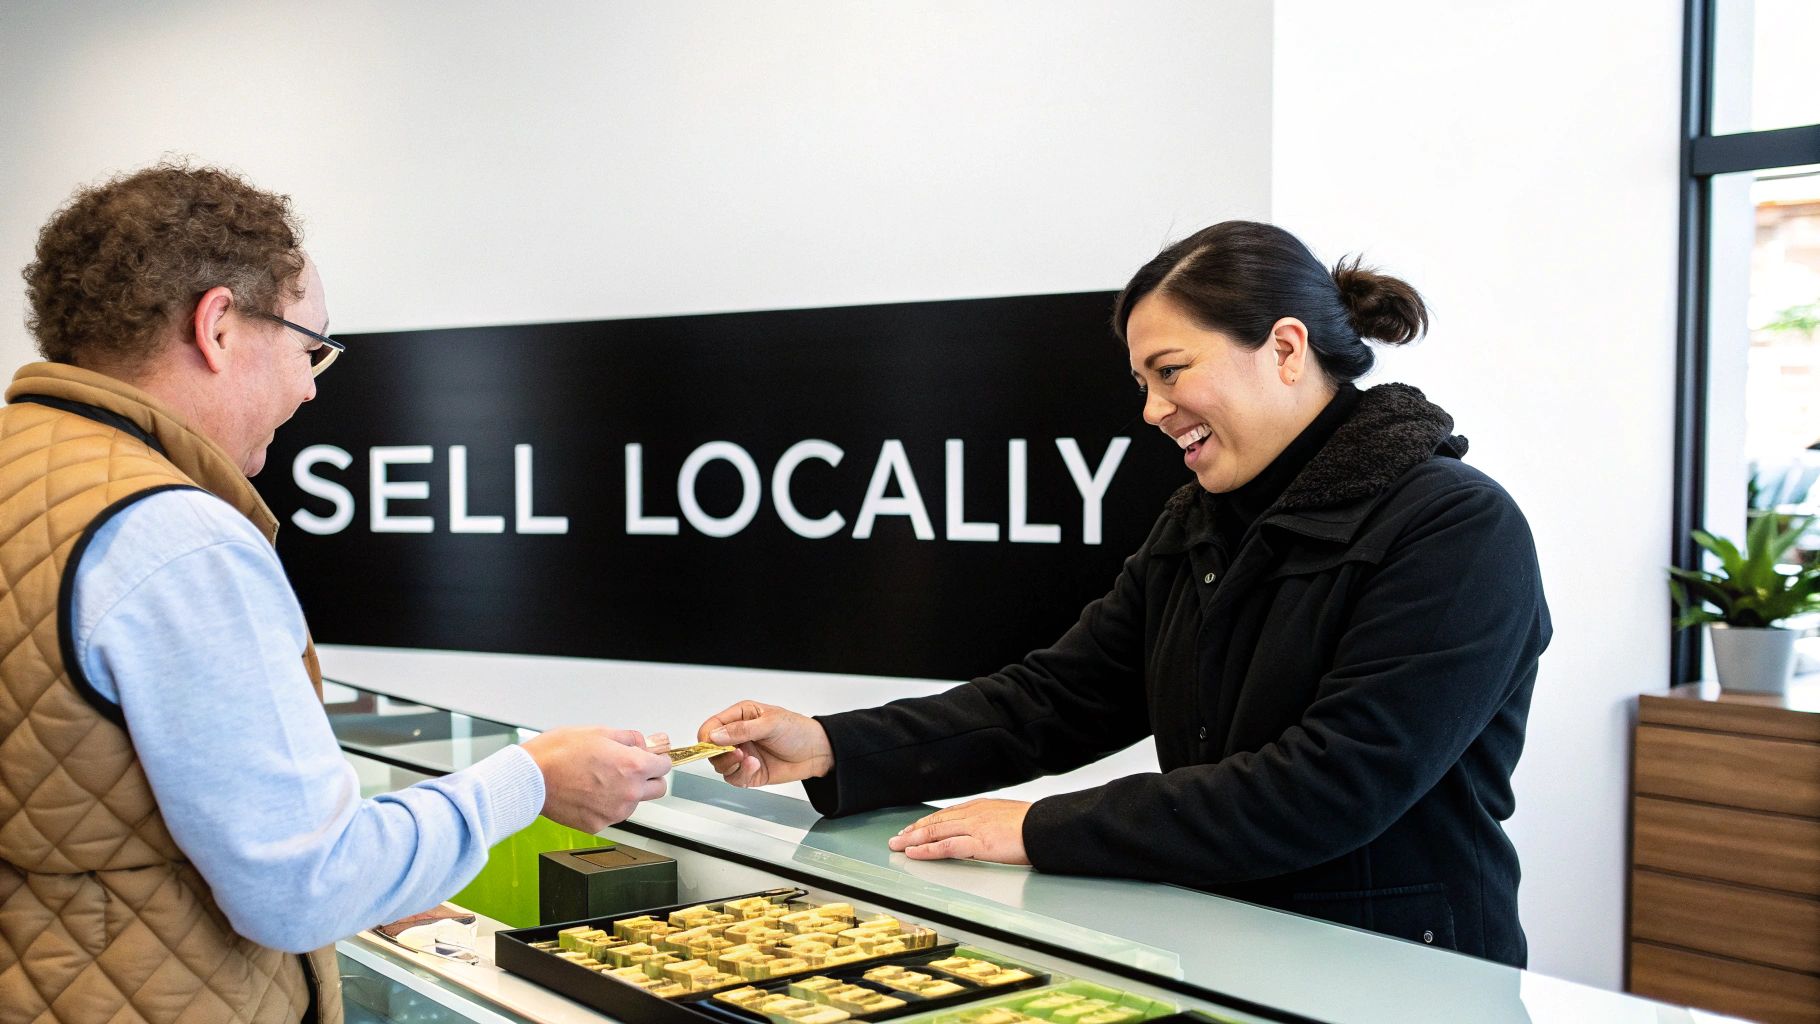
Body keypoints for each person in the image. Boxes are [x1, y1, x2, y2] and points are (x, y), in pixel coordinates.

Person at [699, 220, 1550, 967]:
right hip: (1227, 948)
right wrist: (831, 746)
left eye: (1172, 371)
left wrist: (1041, 829)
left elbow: (1331, 787)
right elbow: (1057, 698)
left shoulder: (1456, 529)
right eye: (1143, 380)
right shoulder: (1202, 521)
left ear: (1286, 349)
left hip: (1401, 975)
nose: (1152, 409)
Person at [0, 163, 673, 1024]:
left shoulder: (29, 469)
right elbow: (304, 886)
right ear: (216, 327)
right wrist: (530, 780)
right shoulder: (174, 535)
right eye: (306, 347)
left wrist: (385, 870)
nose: (312, 386)